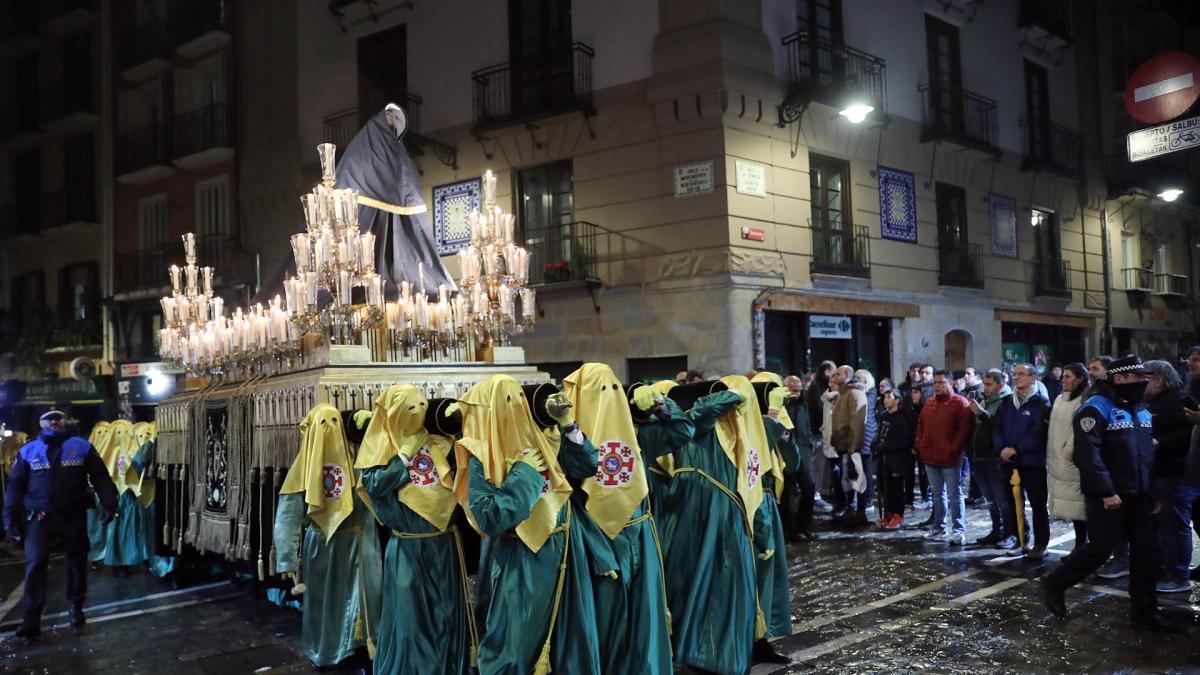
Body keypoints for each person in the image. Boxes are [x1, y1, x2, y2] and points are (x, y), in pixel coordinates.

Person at [453, 375, 603, 674]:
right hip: (519, 559)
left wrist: (569, 425)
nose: (516, 408)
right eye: (506, 402)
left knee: (569, 637)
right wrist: (523, 474)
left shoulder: (543, 439)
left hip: (563, 552)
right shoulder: (481, 458)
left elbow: (586, 466)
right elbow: (489, 517)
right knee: (516, 644)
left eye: (519, 399)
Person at [1043, 356, 1172, 631]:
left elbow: (1145, 456)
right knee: (1101, 548)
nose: (1143, 382)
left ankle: (1145, 614)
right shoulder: (1096, 408)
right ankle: (1057, 582)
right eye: (1138, 377)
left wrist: (1154, 493)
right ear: (1120, 379)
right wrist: (1106, 491)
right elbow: (1087, 455)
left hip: (1139, 494)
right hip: (1109, 495)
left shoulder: (1141, 408)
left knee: (1148, 551)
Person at [355, 384, 476, 674]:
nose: (418, 413)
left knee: (445, 614)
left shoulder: (438, 442)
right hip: (408, 548)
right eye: (410, 408)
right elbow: (374, 484)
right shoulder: (381, 448)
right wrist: (403, 457)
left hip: (444, 544)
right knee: (411, 621)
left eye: (422, 406)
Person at [564, 364, 672, 674]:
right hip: (597, 543)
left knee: (645, 618)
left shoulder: (637, 432)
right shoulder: (566, 440)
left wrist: (662, 406)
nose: (608, 399)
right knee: (605, 622)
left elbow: (681, 431)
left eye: (614, 389)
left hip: (639, 535)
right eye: (599, 391)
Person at [657, 377, 758, 673]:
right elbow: (701, 412)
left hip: (717, 508)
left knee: (720, 579)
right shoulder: (695, 422)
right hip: (697, 506)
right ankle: (691, 648)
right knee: (691, 576)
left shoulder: (731, 432)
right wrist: (736, 391)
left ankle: (712, 652)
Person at [274, 403, 382, 668]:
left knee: (366, 601)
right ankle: (328, 652)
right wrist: (287, 559)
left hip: (361, 542)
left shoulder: (358, 456)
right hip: (323, 546)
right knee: (327, 605)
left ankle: (365, 649)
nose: (328, 430)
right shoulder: (302, 470)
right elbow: (288, 516)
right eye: (322, 424)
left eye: (333, 422)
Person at [4, 409, 117, 639]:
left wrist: (109, 503)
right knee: (35, 564)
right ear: (41, 423)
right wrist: (9, 519)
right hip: (40, 517)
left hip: (72, 515)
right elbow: (15, 486)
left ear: (64, 421)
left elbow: (100, 477)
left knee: (76, 561)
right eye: (50, 419)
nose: (55, 422)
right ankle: (31, 620)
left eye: (58, 418)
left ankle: (76, 607)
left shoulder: (81, 446)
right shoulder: (28, 451)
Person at [751, 373, 798, 663]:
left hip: (768, 501)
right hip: (752, 502)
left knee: (769, 577)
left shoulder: (772, 424)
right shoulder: (743, 426)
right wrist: (771, 417)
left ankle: (762, 639)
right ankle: (749, 639)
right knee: (754, 575)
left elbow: (792, 463)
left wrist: (784, 432)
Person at [1143, 360, 1197, 594]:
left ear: (1157, 380)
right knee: (1161, 524)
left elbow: (1190, 432)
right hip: (1158, 473)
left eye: (1143, 376)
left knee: (1174, 525)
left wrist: (1161, 443)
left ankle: (1178, 575)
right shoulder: (1149, 401)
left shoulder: (1179, 400)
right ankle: (1164, 568)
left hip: (1176, 474)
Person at [993, 363, 1052, 559]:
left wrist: (1016, 449)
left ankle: (1041, 543)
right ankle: (1021, 540)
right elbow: (998, 428)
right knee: (1013, 504)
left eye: (1022, 374)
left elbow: (1038, 433)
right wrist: (1002, 447)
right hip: (1009, 462)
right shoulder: (1007, 402)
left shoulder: (1041, 403)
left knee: (1037, 505)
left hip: (1032, 462)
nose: (1016, 377)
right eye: (1015, 374)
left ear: (1033, 378)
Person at [914, 370, 973, 545]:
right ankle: (938, 526)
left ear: (951, 383)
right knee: (937, 494)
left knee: (955, 494)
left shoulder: (960, 403)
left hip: (949, 457)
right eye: (936, 383)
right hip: (930, 456)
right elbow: (921, 426)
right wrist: (920, 443)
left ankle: (958, 530)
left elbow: (964, 430)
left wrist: (953, 448)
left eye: (941, 382)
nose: (938, 386)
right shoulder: (930, 403)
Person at [968, 370, 1016, 549]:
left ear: (1000, 384)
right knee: (990, 500)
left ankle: (1010, 534)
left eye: (989, 385)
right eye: (984, 384)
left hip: (994, 457)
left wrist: (981, 413)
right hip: (979, 457)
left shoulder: (1007, 401)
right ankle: (997, 531)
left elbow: (998, 425)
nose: (985, 388)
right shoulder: (984, 400)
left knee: (1002, 500)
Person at [1047, 363, 1089, 552]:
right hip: (1057, 459)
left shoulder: (1084, 399)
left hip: (1071, 462)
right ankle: (1079, 546)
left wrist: (1067, 452)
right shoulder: (1059, 399)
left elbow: (1077, 431)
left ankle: (1083, 546)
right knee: (1071, 508)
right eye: (1062, 376)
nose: (1063, 380)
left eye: (1068, 377)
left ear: (1080, 379)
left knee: (1080, 507)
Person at [102, 420, 154, 571]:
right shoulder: (124, 455)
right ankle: (121, 561)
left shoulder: (145, 451)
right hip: (125, 497)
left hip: (142, 497)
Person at [782, 375, 817, 540]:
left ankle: (804, 526)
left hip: (803, 452)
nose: (796, 393)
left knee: (809, 488)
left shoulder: (803, 404)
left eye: (799, 390)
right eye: (793, 390)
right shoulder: (782, 406)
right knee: (786, 494)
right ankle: (789, 529)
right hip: (786, 453)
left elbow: (807, 426)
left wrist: (809, 445)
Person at [874, 388, 914, 528]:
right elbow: (880, 433)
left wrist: (886, 446)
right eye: (884, 397)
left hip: (896, 458)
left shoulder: (902, 418)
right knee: (885, 487)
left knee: (896, 488)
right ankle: (888, 513)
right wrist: (876, 444)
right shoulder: (884, 416)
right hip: (883, 458)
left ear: (897, 400)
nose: (885, 400)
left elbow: (905, 440)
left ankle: (898, 514)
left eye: (889, 397)